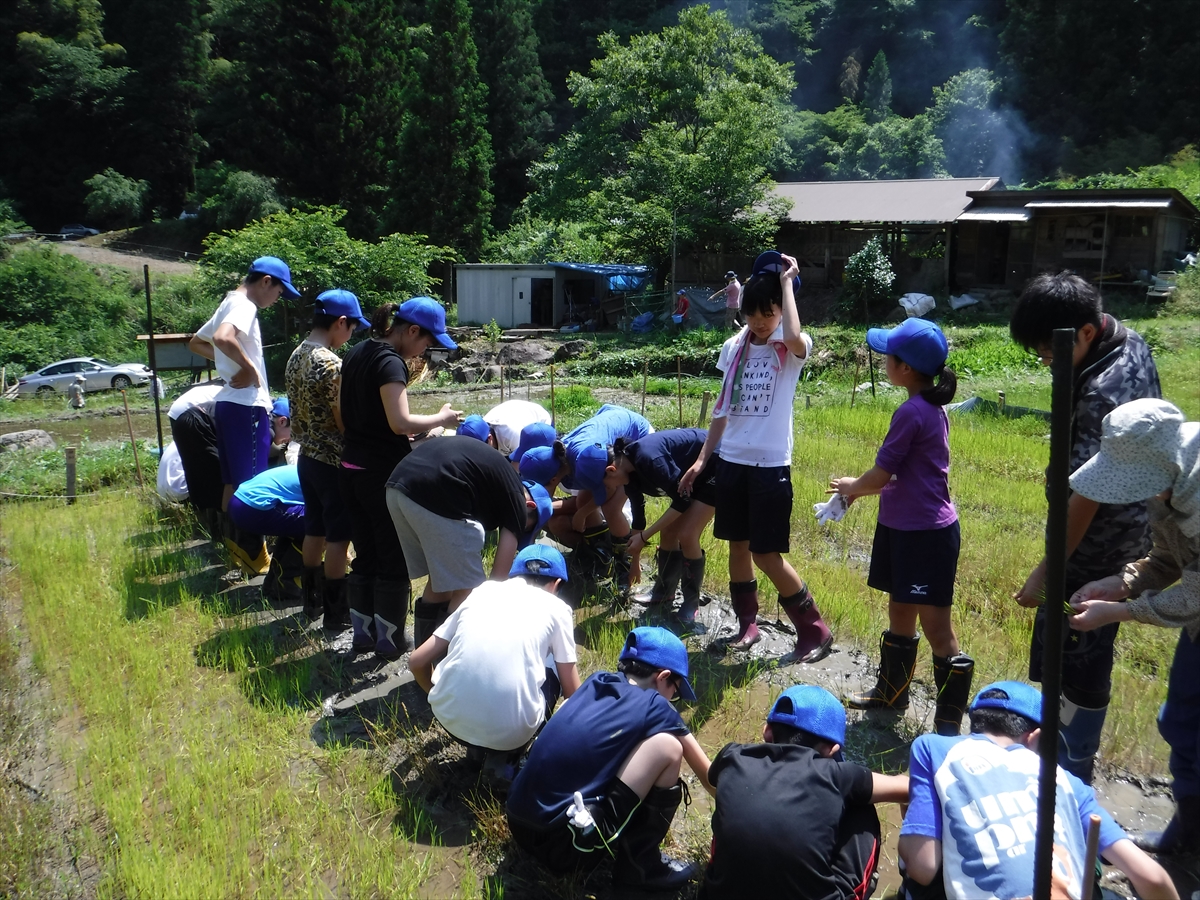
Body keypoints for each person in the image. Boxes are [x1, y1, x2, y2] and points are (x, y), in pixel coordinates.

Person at [1009, 272, 1162, 782]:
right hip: (1134, 529)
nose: (1046, 362)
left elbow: (1087, 498)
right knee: (1077, 650)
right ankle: (1059, 751)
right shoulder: (1128, 339)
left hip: (1099, 544)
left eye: (1050, 352)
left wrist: (1046, 571)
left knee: (1077, 650)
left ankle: (1070, 768)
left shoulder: (1102, 392)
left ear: (1086, 332)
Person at [681, 251, 831, 663]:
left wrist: (787, 283)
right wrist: (703, 458)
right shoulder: (734, 347)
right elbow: (722, 408)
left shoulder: (791, 346)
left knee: (766, 554)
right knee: (737, 546)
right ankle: (747, 625)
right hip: (732, 461)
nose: (760, 321)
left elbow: (795, 335)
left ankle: (814, 629)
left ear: (782, 310)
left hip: (770, 466)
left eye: (769, 313)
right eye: (752, 313)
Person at [898, 681, 1178, 900]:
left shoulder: (934, 748)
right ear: (1035, 738)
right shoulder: (1067, 782)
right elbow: (1152, 878)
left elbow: (923, 868)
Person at [1066, 398, 1200, 855]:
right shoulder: (1168, 483)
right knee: (1180, 720)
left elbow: (1195, 596)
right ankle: (1187, 834)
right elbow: (1168, 559)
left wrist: (1118, 612)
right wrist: (1117, 584)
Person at [831, 318, 974, 735]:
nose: (884, 362)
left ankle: (948, 727)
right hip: (903, 528)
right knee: (899, 611)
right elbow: (900, 475)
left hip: (924, 536)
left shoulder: (912, 411)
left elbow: (880, 474)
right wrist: (859, 492)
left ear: (905, 368)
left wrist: (852, 486)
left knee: (937, 629)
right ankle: (891, 693)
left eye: (888, 356)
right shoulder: (926, 406)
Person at [506, 626, 713, 891]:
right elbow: (709, 779)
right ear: (663, 677)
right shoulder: (656, 705)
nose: (674, 699)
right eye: (677, 691)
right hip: (563, 847)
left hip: (517, 821)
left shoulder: (596, 681)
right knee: (668, 747)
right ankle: (641, 869)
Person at [699, 685, 910, 900]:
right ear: (831, 749)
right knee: (861, 805)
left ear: (767, 731)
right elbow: (908, 788)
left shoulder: (732, 756)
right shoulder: (837, 775)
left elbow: (712, 779)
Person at [338, 297, 462, 657]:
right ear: (412, 331)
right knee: (392, 555)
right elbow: (400, 422)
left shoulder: (357, 351)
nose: (425, 350)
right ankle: (390, 641)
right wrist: (442, 419)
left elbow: (348, 413)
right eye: (427, 341)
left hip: (350, 467)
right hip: (380, 474)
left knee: (365, 553)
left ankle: (363, 635)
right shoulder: (391, 362)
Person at [408, 545, 580, 779]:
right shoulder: (557, 608)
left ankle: (476, 750)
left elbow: (416, 661)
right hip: (512, 734)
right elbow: (573, 693)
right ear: (556, 584)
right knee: (554, 665)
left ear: (513, 575)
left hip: (448, 718)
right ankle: (508, 757)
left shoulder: (482, 591)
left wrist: (435, 693)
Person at [385, 434, 553, 647]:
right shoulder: (517, 501)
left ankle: (426, 657)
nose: (520, 530)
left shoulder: (497, 483)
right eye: (526, 528)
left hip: (398, 486)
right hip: (434, 491)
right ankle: (444, 659)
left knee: (442, 580)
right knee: (470, 589)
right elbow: (496, 583)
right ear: (530, 506)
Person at [189, 256, 299, 513]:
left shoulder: (229, 302)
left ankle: (230, 536)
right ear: (266, 282)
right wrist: (250, 370)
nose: (277, 299)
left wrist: (230, 362)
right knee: (252, 485)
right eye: (279, 292)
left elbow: (197, 342)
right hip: (246, 405)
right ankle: (252, 538)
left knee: (233, 482)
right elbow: (222, 337)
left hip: (228, 404)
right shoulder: (246, 305)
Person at [286, 289, 369, 623]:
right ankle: (337, 611)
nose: (350, 336)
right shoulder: (331, 364)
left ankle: (311, 601)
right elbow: (342, 419)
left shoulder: (296, 355)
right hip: (333, 461)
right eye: (352, 328)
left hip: (306, 456)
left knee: (314, 528)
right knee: (338, 535)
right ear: (341, 322)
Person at [521, 404, 653, 589]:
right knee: (584, 501)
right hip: (607, 434)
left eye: (542, 489)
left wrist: (581, 514)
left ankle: (625, 565)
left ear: (553, 479)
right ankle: (602, 556)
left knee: (611, 508)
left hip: (635, 437)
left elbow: (607, 490)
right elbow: (584, 498)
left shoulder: (585, 460)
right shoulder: (562, 459)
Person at [602, 428, 718, 629]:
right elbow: (639, 519)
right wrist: (635, 562)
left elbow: (682, 501)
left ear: (611, 470)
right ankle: (664, 592)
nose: (608, 490)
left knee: (687, 534)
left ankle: (691, 603)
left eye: (605, 485)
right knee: (669, 532)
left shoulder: (649, 460)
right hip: (692, 475)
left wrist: (645, 537)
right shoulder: (629, 473)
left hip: (716, 463)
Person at [168, 380, 224, 517]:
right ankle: (212, 512)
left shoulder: (226, 392)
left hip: (178, 413)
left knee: (192, 463)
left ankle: (199, 509)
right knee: (212, 466)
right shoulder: (258, 404)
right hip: (194, 415)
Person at [483, 399, 553, 460]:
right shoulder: (482, 427)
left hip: (539, 422)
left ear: (490, 438)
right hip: (514, 418)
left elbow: (519, 464)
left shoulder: (512, 435)